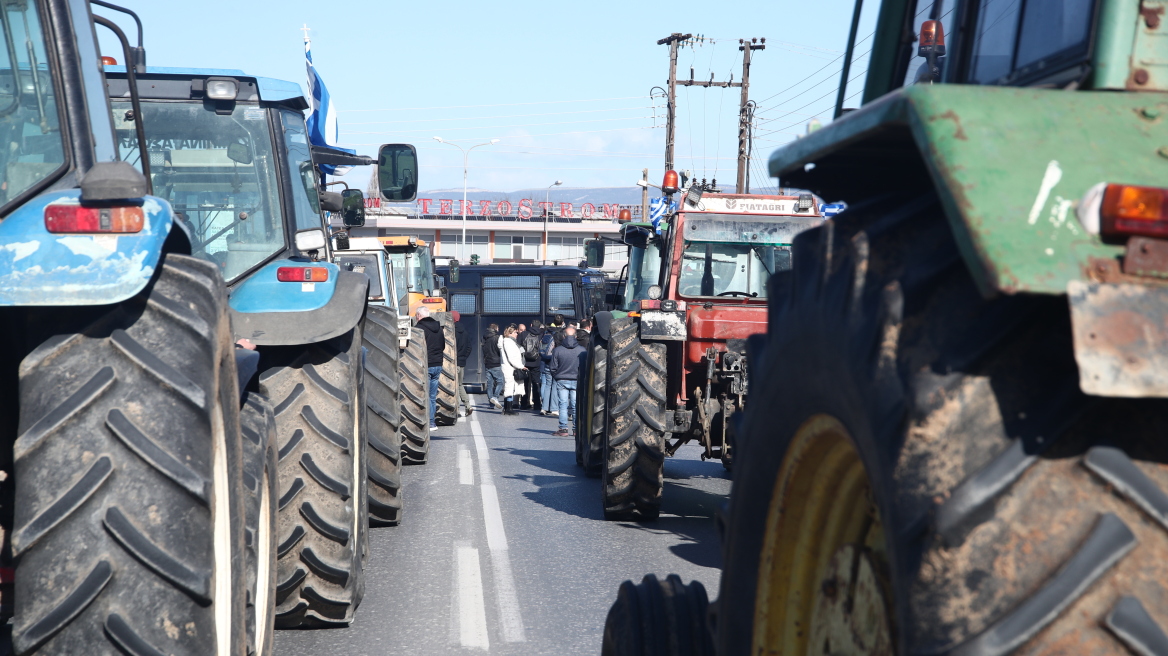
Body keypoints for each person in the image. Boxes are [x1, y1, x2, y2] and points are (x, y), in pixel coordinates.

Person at [549, 326, 586, 436]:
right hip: (576, 380)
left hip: (561, 380)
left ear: (563, 336)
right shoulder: (582, 351)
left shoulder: (557, 350)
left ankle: (563, 429)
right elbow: (584, 367)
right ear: (576, 336)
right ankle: (576, 429)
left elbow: (553, 368)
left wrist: (557, 377)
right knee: (575, 405)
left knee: (563, 405)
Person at [416, 307, 445, 430]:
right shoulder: (439, 329)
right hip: (438, 365)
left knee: (425, 395)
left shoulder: (419, 329)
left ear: (418, 315)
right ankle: (432, 422)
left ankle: (427, 422)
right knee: (432, 396)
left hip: (426, 365)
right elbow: (443, 345)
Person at [499, 326, 526, 415]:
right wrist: (521, 366)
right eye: (515, 332)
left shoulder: (509, 342)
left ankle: (507, 408)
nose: (516, 334)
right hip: (510, 368)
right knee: (509, 387)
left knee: (509, 387)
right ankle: (509, 408)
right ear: (510, 333)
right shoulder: (508, 343)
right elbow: (512, 358)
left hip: (508, 367)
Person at [520, 320, 543, 410]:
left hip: (525, 362)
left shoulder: (523, 334)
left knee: (525, 383)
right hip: (536, 362)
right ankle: (537, 404)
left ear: (530, 325)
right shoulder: (541, 334)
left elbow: (519, 345)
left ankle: (524, 403)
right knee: (536, 383)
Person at [453, 310, 472, 416]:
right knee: (460, 385)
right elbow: (469, 347)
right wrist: (463, 357)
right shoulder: (465, 331)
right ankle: (468, 405)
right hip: (462, 362)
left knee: (453, 386)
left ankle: (456, 409)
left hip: (453, 363)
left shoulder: (450, 332)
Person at [481, 323, 503, 409]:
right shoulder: (497, 338)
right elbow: (499, 350)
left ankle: (491, 404)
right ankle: (495, 397)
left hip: (487, 363)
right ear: (496, 329)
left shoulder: (484, 337)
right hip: (496, 363)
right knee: (500, 382)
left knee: (490, 384)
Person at [538, 327, 558, 416]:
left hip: (546, 363)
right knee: (554, 385)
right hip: (555, 364)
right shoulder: (556, 338)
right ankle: (554, 409)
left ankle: (544, 408)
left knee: (547, 385)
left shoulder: (544, 337)